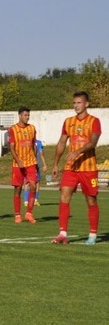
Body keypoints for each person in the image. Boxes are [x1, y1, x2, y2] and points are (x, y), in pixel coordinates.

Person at [51, 91, 102, 245]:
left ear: (87, 104)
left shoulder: (94, 121)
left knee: (91, 200)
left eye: (79, 102)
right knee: (64, 194)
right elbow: (61, 143)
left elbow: (93, 143)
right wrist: (55, 164)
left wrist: (77, 151)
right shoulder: (68, 122)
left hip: (88, 168)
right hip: (71, 167)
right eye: (74, 103)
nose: (76, 105)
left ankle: (92, 235)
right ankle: (62, 233)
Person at [8, 107, 38, 224]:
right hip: (18, 164)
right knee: (18, 189)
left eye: (28, 115)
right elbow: (11, 147)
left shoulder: (32, 128)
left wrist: (35, 160)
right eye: (25, 115)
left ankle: (29, 213)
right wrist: (18, 160)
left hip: (30, 162)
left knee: (33, 186)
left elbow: (33, 145)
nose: (27, 117)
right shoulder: (13, 129)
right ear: (20, 115)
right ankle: (17, 214)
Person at [23, 139, 47, 208]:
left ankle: (26, 201)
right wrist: (44, 164)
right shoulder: (38, 143)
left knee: (27, 182)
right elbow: (41, 153)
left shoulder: (25, 142)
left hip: (26, 164)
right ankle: (35, 200)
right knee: (37, 182)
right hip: (34, 165)